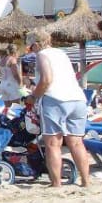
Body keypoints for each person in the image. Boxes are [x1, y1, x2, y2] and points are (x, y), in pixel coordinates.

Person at [25, 29, 91, 187]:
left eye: (30, 47)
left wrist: (33, 97)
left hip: (56, 100)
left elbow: (47, 80)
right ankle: (86, 181)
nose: (31, 51)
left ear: (36, 45)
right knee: (77, 143)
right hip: (77, 99)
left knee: (53, 144)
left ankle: (56, 183)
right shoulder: (62, 53)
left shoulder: (42, 55)